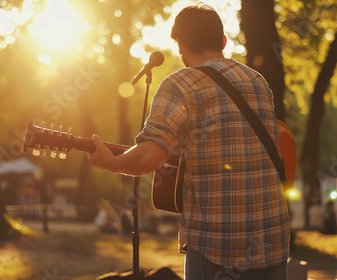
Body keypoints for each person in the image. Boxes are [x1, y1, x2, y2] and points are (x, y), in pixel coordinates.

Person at [88, 4, 290, 280]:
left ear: (180, 46)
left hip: (217, 247)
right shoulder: (257, 81)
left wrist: (109, 162)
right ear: (223, 41)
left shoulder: (179, 84)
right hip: (272, 241)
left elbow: (149, 158)